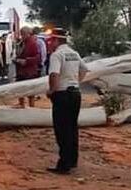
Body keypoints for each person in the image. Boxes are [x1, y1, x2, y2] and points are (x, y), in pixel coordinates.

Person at [46, 28, 89, 175]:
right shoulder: (74, 53)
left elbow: (54, 74)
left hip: (62, 94)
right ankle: (72, 160)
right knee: (72, 127)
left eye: (51, 40)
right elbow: (84, 69)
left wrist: (52, 90)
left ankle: (63, 164)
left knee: (62, 130)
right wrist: (76, 82)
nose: (49, 43)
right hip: (75, 93)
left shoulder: (57, 55)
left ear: (57, 40)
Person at [14, 26, 41, 107]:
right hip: (21, 71)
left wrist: (26, 61)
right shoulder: (21, 43)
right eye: (21, 34)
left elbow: (38, 58)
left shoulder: (33, 43)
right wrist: (16, 60)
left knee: (31, 91)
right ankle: (21, 104)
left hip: (30, 72)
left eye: (23, 34)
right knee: (20, 90)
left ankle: (31, 107)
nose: (22, 36)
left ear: (28, 34)